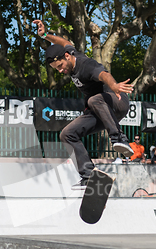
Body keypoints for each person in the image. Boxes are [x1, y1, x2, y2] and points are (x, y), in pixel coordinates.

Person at [33, 20, 134, 190]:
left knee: (94, 99)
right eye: (56, 69)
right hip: (100, 112)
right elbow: (63, 42)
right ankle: (88, 176)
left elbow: (103, 74)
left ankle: (119, 139)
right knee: (67, 134)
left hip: (116, 100)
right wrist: (44, 35)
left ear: (66, 57)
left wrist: (115, 86)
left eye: (60, 66)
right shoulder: (69, 51)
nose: (60, 71)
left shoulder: (85, 65)